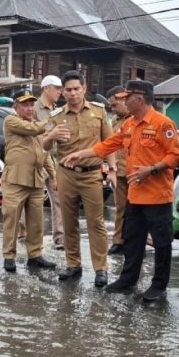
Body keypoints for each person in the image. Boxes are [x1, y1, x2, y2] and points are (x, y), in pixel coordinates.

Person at [61, 80, 179, 299]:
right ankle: (128, 279)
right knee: (132, 240)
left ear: (139, 98)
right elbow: (108, 145)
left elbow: (175, 156)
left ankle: (159, 285)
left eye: (127, 97)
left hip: (157, 197)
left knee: (162, 243)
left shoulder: (163, 123)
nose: (123, 101)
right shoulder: (128, 125)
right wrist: (81, 154)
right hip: (135, 195)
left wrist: (151, 170)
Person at [45, 70, 115, 287]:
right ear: (63, 92)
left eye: (77, 89)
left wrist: (112, 168)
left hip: (91, 173)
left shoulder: (99, 112)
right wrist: (51, 136)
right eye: (68, 90)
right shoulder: (55, 116)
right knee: (69, 221)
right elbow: (44, 146)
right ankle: (73, 264)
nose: (73, 93)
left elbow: (110, 142)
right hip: (65, 175)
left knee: (96, 223)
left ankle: (101, 268)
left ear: (84, 89)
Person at [1, 89, 59, 273]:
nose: (29, 108)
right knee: (12, 219)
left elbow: (45, 153)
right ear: (15, 106)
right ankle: (9, 256)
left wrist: (54, 175)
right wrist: (52, 124)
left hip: (36, 180)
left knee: (36, 221)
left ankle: (35, 255)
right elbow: (32, 130)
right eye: (25, 105)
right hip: (15, 180)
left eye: (31, 104)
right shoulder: (11, 120)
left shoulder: (37, 124)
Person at [30, 75, 65, 249]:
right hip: (37, 158)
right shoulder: (33, 107)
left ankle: (59, 237)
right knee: (31, 198)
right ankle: (24, 234)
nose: (60, 91)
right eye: (57, 88)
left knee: (58, 197)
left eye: (60, 88)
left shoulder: (57, 109)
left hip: (54, 159)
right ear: (46, 88)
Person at [106, 85, 130, 255]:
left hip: (137, 172)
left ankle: (135, 242)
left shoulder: (136, 118)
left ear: (124, 100)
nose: (112, 109)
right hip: (119, 171)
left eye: (115, 105)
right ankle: (118, 240)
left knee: (136, 210)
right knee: (120, 207)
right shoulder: (114, 121)